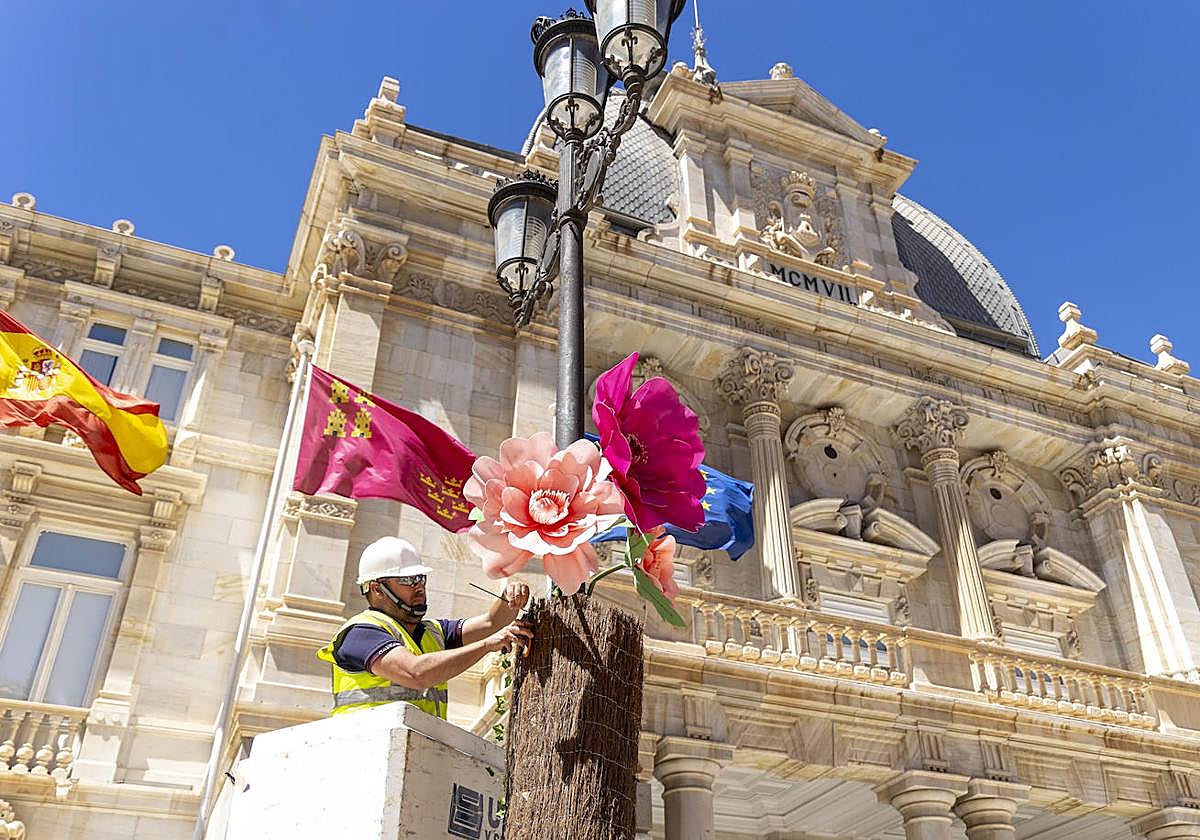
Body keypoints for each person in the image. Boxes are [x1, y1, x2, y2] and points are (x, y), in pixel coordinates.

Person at [317, 536, 531, 719]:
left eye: (421, 578)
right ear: (377, 589)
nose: (419, 586)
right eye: (408, 580)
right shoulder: (360, 633)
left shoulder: (432, 633)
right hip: (367, 749)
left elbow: (491, 623)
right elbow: (416, 673)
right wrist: (486, 645)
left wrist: (509, 598)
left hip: (419, 748)